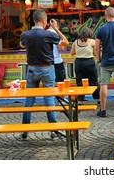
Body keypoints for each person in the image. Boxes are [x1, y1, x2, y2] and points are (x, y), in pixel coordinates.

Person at [19, 9, 68, 140]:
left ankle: (24, 129)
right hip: (47, 69)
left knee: (29, 99)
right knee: (49, 99)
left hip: (32, 69)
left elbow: (22, 45)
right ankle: (53, 130)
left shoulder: (26, 34)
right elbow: (64, 41)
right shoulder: (48, 35)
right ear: (44, 20)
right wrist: (56, 28)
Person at [70, 27, 99, 104]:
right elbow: (95, 53)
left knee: (80, 82)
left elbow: (72, 53)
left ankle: (80, 100)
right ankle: (98, 98)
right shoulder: (92, 42)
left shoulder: (75, 42)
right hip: (89, 62)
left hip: (79, 62)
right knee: (93, 81)